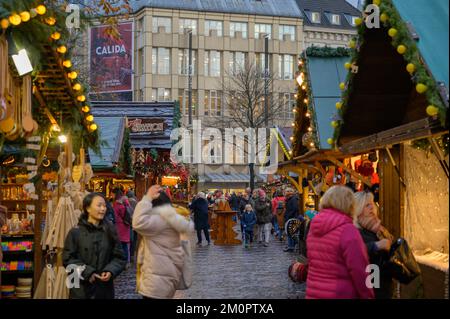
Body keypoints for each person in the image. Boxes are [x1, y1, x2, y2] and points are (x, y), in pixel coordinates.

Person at [306, 186, 374, 299]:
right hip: (340, 293)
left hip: (314, 293)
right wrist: (368, 295)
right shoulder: (348, 230)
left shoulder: (314, 227)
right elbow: (359, 270)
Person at [133, 185, 194, 299]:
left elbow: (137, 223)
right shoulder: (174, 218)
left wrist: (147, 199)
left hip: (156, 280)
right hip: (168, 276)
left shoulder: (160, 219)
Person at [63, 193, 126, 299]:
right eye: (99, 205)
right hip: (81, 290)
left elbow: (119, 257)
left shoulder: (110, 231)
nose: (103, 209)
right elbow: (68, 259)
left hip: (104, 289)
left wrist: (110, 270)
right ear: (88, 208)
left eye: (104, 206)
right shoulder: (75, 232)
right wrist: (88, 272)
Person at [354, 191, 394, 299]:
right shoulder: (354, 231)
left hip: (383, 286)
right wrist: (376, 245)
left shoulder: (378, 229)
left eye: (372, 203)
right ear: (358, 210)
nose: (372, 207)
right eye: (367, 205)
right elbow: (353, 252)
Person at [113, 189, 131, 265]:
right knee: (123, 244)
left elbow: (122, 215)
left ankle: (126, 261)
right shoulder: (123, 203)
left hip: (121, 227)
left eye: (112, 194)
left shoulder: (119, 204)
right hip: (122, 227)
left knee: (123, 245)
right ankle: (124, 261)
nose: (111, 195)